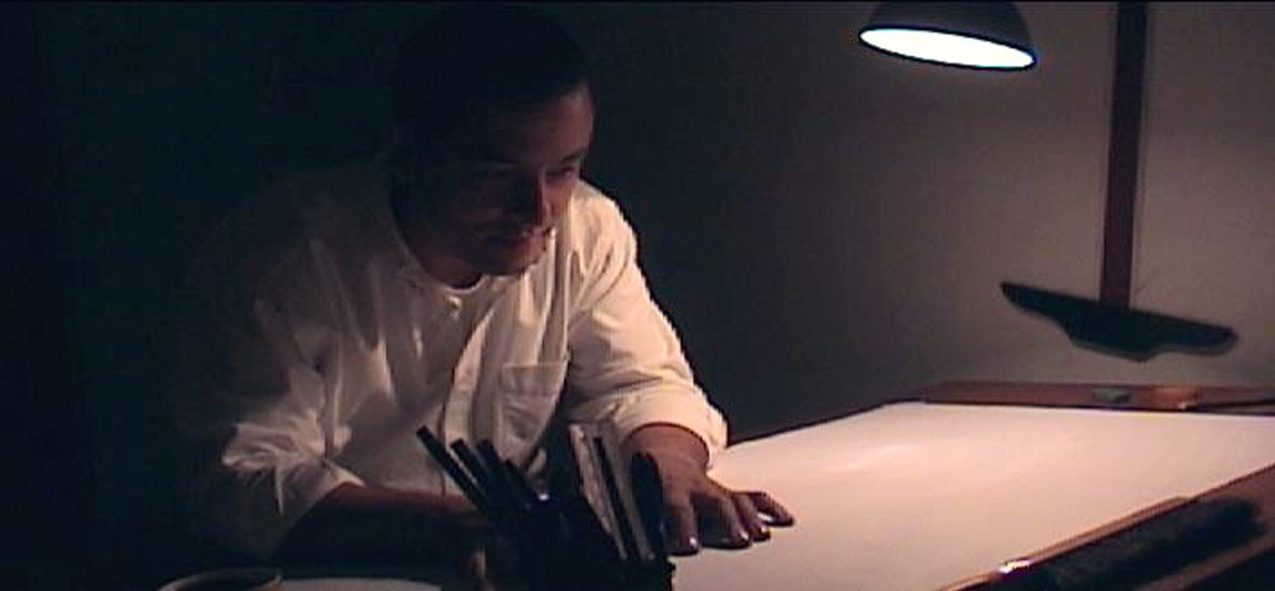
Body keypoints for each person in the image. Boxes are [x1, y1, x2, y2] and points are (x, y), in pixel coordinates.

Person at [170, 2, 792, 582]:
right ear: (407, 156)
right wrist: (463, 530)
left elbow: (641, 385)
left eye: (563, 170)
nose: (539, 209)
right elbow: (241, 479)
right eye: (496, 176)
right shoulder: (285, 259)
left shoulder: (587, 229)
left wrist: (671, 469)